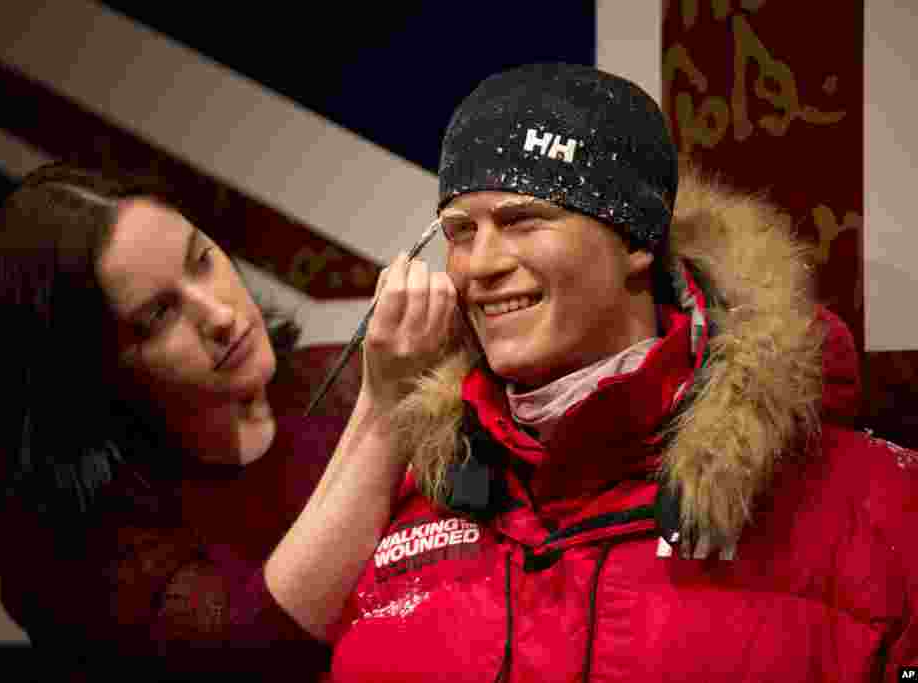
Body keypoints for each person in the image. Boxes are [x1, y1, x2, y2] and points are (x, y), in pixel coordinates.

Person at [324, 63, 918, 681]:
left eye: (523, 219)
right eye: (460, 231)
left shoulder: (880, 507)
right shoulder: (412, 502)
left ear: (636, 240)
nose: (480, 264)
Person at [0, 162, 456, 680]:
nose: (221, 317)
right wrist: (384, 414)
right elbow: (253, 650)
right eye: (158, 316)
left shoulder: (338, 380)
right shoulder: (72, 557)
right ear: (88, 372)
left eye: (201, 259)